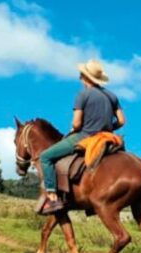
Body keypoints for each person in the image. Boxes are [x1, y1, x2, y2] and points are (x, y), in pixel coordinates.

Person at [37, 59, 125, 215]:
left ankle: (52, 196)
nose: (80, 78)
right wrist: (109, 128)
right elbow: (122, 121)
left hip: (85, 136)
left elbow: (77, 124)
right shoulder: (112, 96)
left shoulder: (83, 95)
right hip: (108, 138)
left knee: (45, 157)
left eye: (81, 75)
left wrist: (76, 128)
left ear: (86, 78)